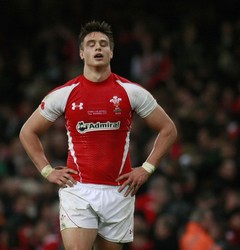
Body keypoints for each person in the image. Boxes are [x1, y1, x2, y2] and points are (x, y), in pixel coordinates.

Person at [19, 20, 177, 250]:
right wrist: (47, 171)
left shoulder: (131, 92)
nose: (98, 48)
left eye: (103, 44)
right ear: (82, 53)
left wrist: (147, 168)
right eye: (91, 44)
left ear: (111, 52)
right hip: (79, 189)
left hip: (120, 191)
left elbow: (168, 129)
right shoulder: (65, 94)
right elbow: (28, 132)